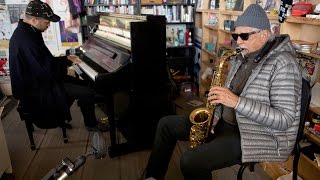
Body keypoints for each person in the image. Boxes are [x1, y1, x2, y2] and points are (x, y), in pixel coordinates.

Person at [145, 4, 302, 180]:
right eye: (236, 35)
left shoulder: (284, 64)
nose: (238, 41)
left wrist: (236, 101)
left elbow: (284, 120)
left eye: (244, 36)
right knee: (166, 124)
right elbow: (225, 95)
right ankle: (152, 177)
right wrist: (215, 115)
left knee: (190, 161)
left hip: (255, 135)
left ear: (264, 35)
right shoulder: (240, 56)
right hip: (226, 123)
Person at [9, 0, 100, 131]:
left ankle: (72, 115)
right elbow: (47, 71)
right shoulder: (27, 40)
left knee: (85, 84)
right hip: (37, 89)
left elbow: (44, 63)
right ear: (34, 20)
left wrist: (66, 59)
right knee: (87, 92)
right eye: (46, 22)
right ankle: (90, 124)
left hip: (40, 81)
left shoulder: (27, 31)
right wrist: (67, 63)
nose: (48, 26)